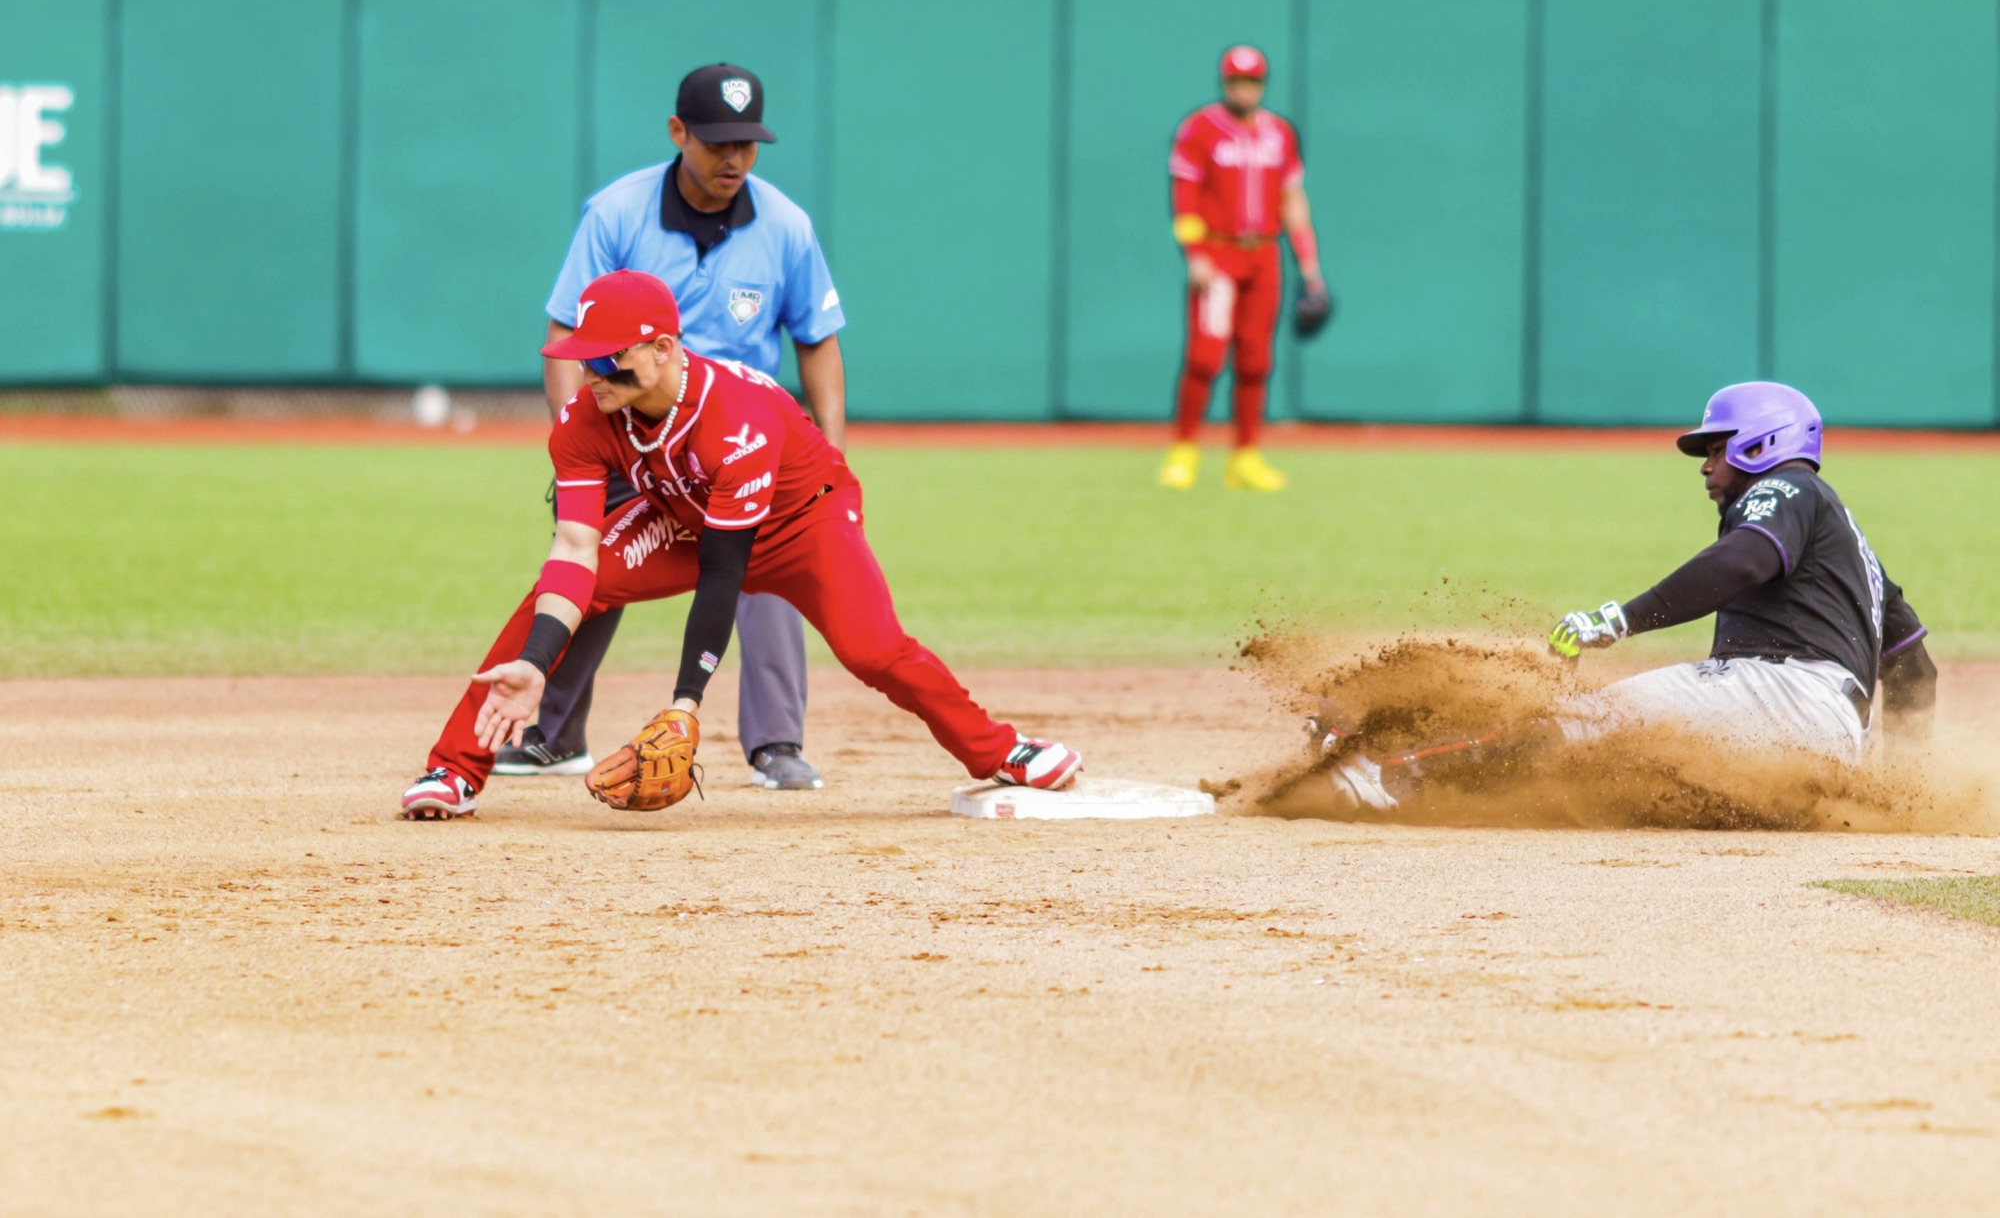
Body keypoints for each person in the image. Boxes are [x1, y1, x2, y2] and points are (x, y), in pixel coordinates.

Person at [399, 270, 1082, 820]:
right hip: (689, 517)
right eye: (582, 359)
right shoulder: (586, 417)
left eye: (608, 359)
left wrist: (685, 701)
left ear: (663, 348)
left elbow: (725, 575)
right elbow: (576, 547)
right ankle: (454, 767)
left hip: (803, 523)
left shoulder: (736, 422)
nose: (591, 374)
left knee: (874, 651)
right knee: (558, 595)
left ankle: (1000, 749)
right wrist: (538, 662)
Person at [1322, 382, 1938, 812]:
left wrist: (1620, 619)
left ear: (1763, 443)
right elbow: (1913, 664)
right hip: (1827, 740)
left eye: (1718, 449)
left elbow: (1743, 561)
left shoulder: (1788, 491)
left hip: (1777, 694)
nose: (1706, 467)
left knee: (1578, 724)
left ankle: (1392, 778)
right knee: (1623, 767)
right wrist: (1898, 788)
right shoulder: (1857, 551)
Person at [493, 62, 842, 792]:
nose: (734, 158)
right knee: (590, 563)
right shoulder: (617, 214)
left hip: (740, 431)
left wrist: (829, 462)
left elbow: (818, 340)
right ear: (678, 133)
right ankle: (555, 734)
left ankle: (775, 742)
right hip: (629, 425)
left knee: (765, 556)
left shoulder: (785, 226)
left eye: (748, 143)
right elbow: (565, 328)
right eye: (717, 141)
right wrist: (575, 441)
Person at [1158, 44, 1329, 494]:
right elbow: (1185, 194)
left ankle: (1245, 456)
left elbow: (1292, 200)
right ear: (1225, 82)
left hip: (1263, 255)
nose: (1244, 88)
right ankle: (1184, 450)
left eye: (1252, 80)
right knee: (1205, 356)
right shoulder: (1200, 129)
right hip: (1218, 255)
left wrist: (1309, 266)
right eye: (1237, 80)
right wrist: (1194, 252)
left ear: (1262, 84)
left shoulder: (1279, 134)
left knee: (1255, 359)